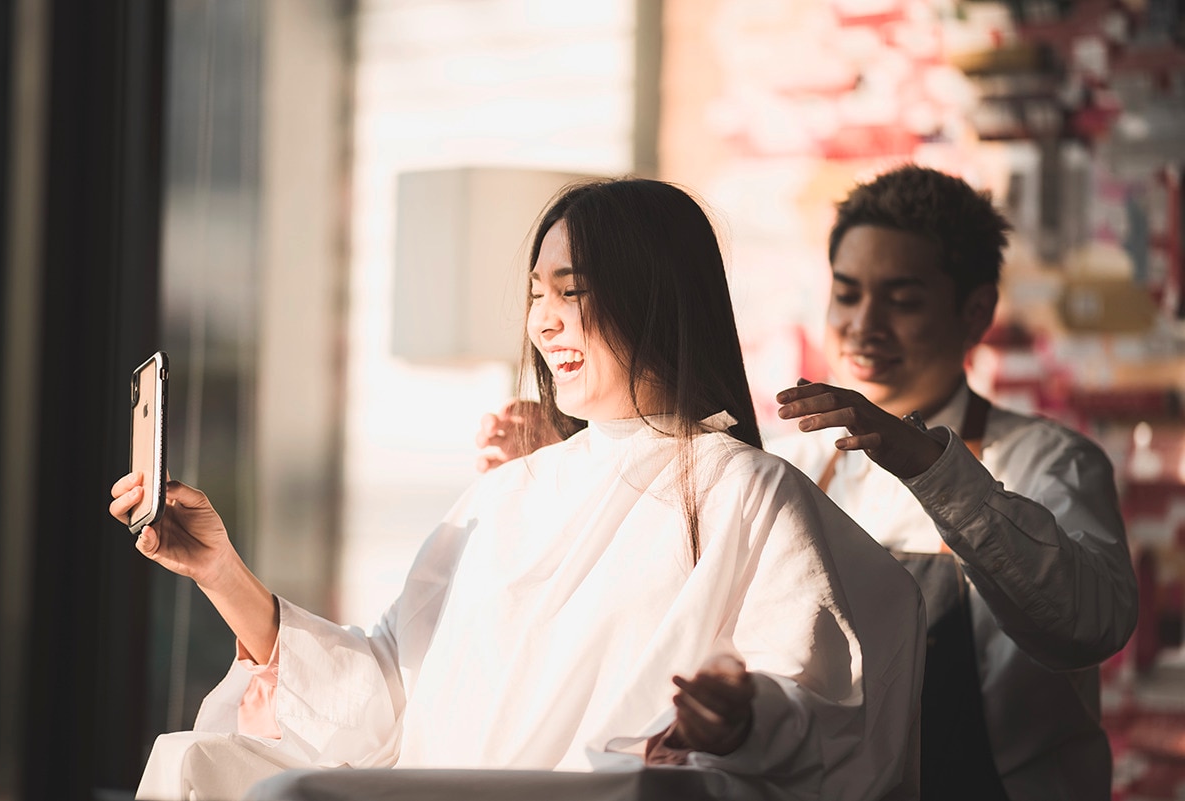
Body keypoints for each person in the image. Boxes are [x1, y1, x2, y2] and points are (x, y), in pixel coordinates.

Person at [111, 178, 925, 801]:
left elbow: (828, 699)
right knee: (193, 761)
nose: (544, 320)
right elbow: (386, 693)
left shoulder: (746, 490)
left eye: (572, 290)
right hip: (451, 784)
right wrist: (223, 572)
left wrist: (746, 716)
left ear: (652, 293)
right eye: (537, 292)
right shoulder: (507, 494)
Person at [477, 166, 1139, 801]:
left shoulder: (1050, 460)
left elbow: (1087, 625)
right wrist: (570, 458)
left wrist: (930, 468)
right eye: (847, 292)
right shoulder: (785, 465)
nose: (863, 324)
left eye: (902, 300)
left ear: (976, 312)